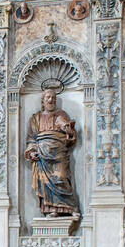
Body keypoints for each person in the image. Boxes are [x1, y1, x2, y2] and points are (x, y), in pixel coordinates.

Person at [23, 87, 79, 217]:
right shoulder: (35, 118)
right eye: (48, 97)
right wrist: (31, 152)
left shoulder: (61, 115)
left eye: (53, 97)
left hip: (59, 152)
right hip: (42, 155)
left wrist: (66, 129)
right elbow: (31, 139)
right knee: (45, 183)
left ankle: (70, 207)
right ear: (42, 101)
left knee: (62, 177)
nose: (51, 99)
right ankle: (51, 209)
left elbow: (71, 136)